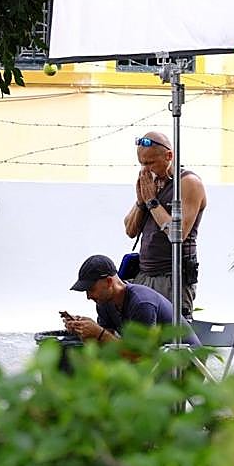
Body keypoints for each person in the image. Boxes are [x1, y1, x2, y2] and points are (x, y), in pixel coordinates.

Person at [123, 131, 206, 317]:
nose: (145, 170)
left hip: (173, 277)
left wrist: (152, 201)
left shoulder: (188, 183)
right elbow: (130, 230)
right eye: (142, 164)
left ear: (169, 156)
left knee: (172, 334)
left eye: (150, 163)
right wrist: (141, 202)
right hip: (144, 274)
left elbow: (178, 233)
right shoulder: (151, 185)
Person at [64, 254, 200, 346]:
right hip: (157, 359)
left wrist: (98, 333)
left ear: (108, 281)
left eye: (91, 289)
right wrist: (84, 331)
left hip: (185, 365)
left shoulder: (141, 302)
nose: (88, 296)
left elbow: (138, 355)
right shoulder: (104, 303)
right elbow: (108, 345)